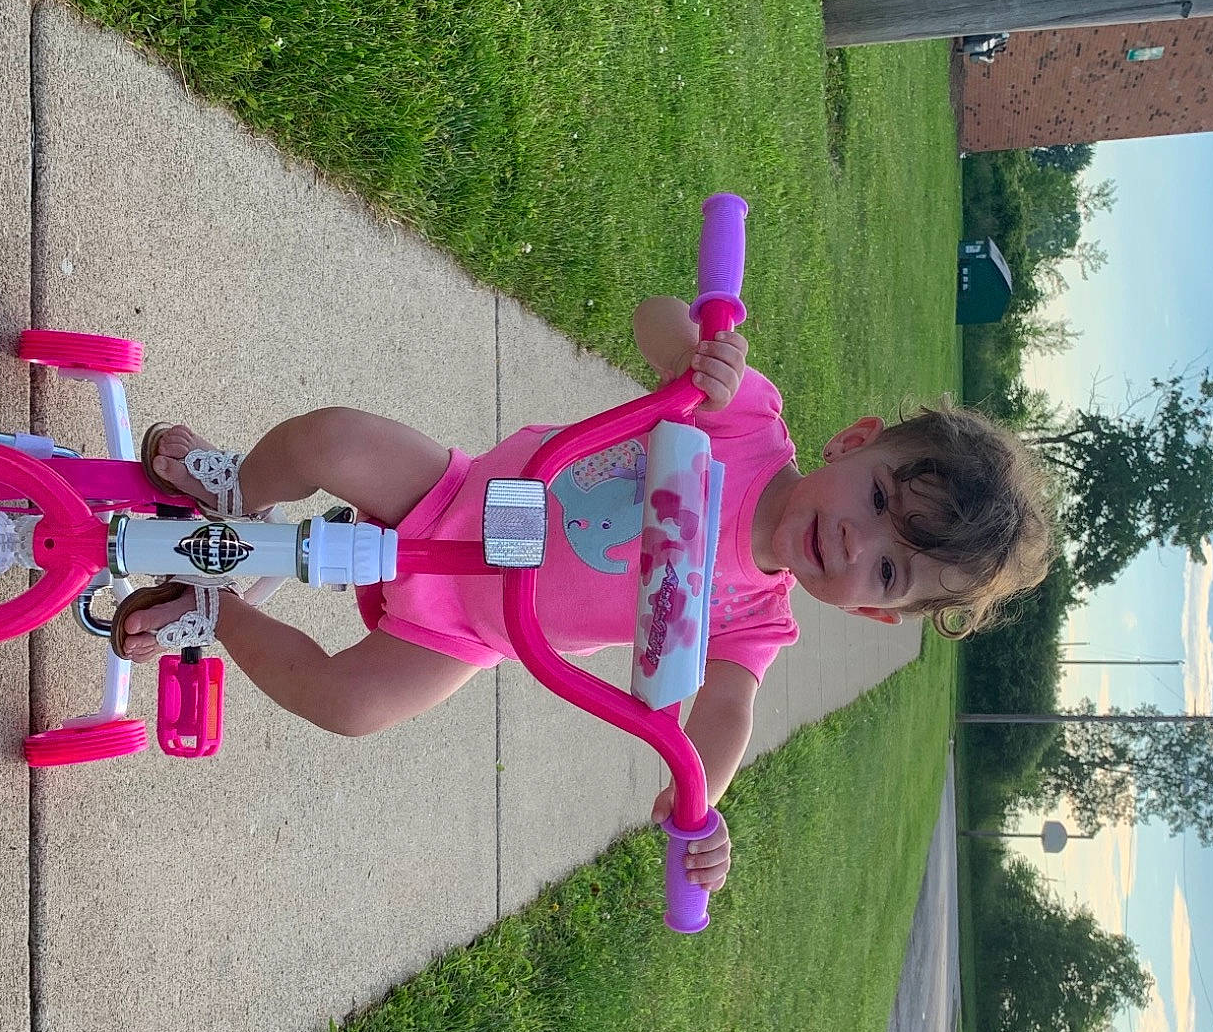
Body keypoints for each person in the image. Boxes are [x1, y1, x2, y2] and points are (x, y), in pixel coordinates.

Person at [113, 296, 1052, 899]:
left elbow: (724, 711)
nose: (857, 540)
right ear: (854, 444)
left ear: (874, 612)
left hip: (472, 628)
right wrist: (695, 354)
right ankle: (243, 493)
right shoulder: (747, 418)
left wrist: (701, 798)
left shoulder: (753, 618)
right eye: (880, 499)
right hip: (457, 494)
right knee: (329, 440)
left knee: (351, 705)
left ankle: (213, 609)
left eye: (888, 569)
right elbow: (651, 321)